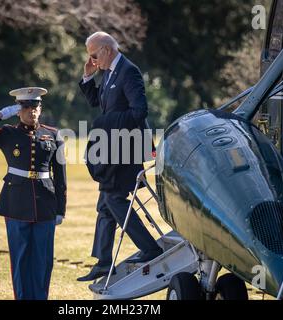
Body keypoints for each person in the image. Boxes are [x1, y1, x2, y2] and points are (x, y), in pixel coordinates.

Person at [77, 32, 162, 282]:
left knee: (113, 198)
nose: (92, 59)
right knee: (105, 204)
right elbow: (97, 101)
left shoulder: (128, 71)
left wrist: (106, 122)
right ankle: (103, 263)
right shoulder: (108, 72)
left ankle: (150, 248)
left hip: (129, 148)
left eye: (93, 55)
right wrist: (88, 76)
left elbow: (139, 112)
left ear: (106, 50)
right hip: (114, 148)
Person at [0, 87, 67, 300]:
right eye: (26, 107)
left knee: (43, 259)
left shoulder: (53, 135)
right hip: (15, 203)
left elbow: (60, 176)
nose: (32, 111)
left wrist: (61, 209)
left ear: (40, 109)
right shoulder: (7, 133)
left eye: (35, 107)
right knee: (21, 258)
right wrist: (0, 115)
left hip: (46, 204)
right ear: (18, 110)